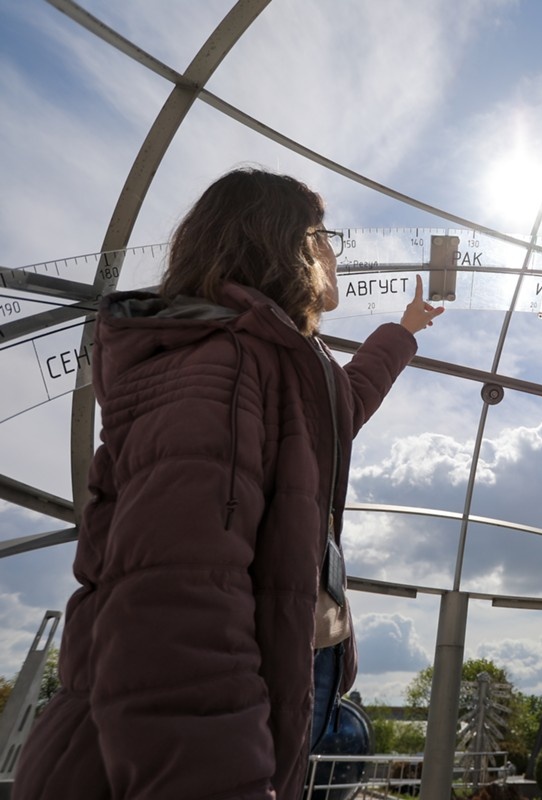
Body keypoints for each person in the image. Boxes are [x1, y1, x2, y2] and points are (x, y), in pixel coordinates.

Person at [14, 167, 443, 799]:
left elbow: (340, 410)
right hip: (190, 731)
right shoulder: (215, 364)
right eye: (324, 235)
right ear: (285, 244)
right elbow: (174, 606)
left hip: (290, 662)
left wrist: (402, 332)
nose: (334, 252)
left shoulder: (287, 361)